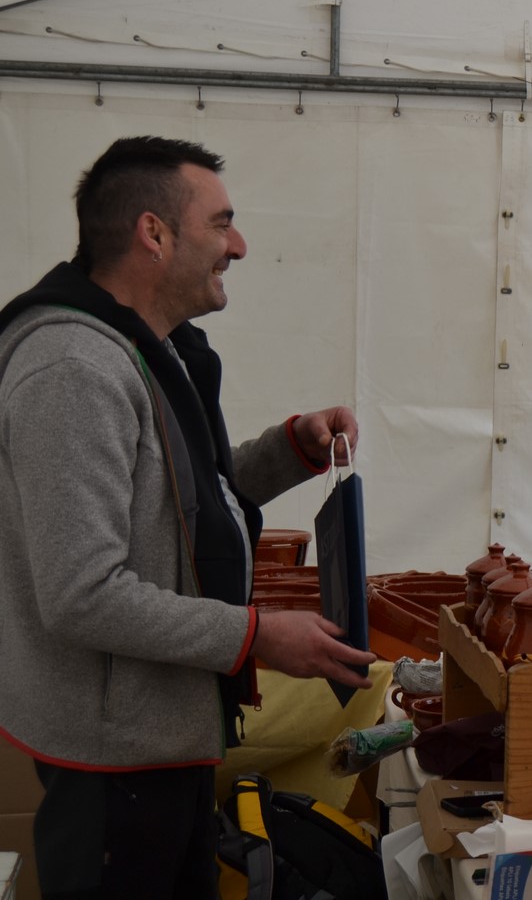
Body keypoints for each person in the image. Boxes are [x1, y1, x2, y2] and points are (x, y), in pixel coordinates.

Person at [0, 136, 377, 899]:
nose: (238, 246)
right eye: (222, 223)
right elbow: (82, 594)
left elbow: (173, 501)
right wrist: (255, 635)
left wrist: (289, 451)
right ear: (155, 233)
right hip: (113, 769)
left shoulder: (139, 349)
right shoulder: (73, 366)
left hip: (155, 745)